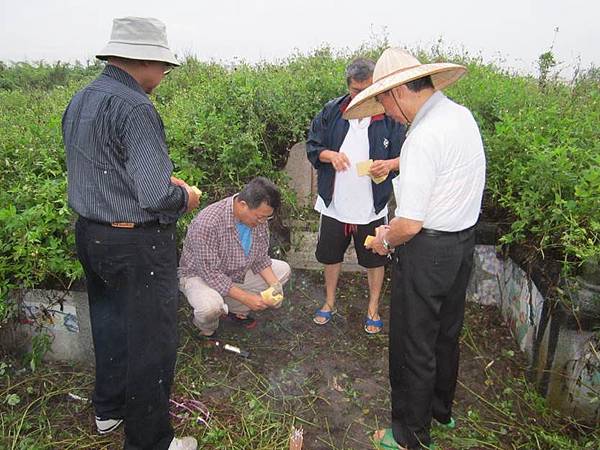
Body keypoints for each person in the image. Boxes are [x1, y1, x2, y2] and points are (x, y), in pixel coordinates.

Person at [62, 17, 200, 450]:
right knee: (152, 343)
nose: (162, 76)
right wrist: (187, 197)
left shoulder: (82, 98)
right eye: (163, 67)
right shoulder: (136, 106)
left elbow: (102, 171)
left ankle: (109, 410)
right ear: (145, 61)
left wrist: (152, 186)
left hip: (91, 235)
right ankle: (151, 441)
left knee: (110, 324)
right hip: (135, 244)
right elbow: (156, 196)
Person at [344, 48, 486, 449]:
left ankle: (409, 434)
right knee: (446, 334)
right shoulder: (459, 116)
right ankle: (441, 411)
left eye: (384, 100)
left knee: (414, 344)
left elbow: (409, 224)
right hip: (460, 245)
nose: (385, 111)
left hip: (426, 252)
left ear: (401, 92)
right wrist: (394, 166)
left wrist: (384, 237)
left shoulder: (422, 136)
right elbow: (445, 174)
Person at [306, 58, 406, 334]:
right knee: (330, 256)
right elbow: (313, 146)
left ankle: (373, 308)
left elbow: (406, 156)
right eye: (355, 91)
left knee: (375, 259)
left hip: (372, 207)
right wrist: (331, 156)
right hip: (334, 205)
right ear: (348, 86)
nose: (361, 96)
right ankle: (329, 302)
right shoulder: (332, 111)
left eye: (368, 90)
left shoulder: (389, 116)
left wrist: (388, 165)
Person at [178, 177, 291, 337]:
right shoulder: (208, 223)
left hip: (233, 272)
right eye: (260, 217)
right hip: (198, 276)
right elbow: (211, 274)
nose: (263, 221)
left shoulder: (258, 219)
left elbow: (260, 258)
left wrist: (275, 286)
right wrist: (247, 298)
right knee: (210, 308)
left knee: (282, 271)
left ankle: (231, 308)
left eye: (267, 217)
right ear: (243, 205)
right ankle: (206, 330)